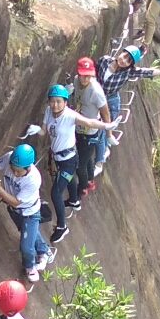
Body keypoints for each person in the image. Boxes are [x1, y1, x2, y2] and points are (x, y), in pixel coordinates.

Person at [32, 83, 105, 242]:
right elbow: (44, 131)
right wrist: (37, 130)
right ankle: (74, 200)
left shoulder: (70, 115)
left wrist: (106, 125)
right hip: (58, 157)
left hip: (69, 160)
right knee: (70, 179)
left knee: (55, 192)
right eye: (52, 101)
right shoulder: (48, 112)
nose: (55, 104)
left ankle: (61, 227)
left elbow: (90, 122)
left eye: (59, 101)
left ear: (65, 102)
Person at [0, 141, 52, 282]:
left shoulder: (34, 180)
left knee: (26, 246)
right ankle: (44, 250)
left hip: (29, 212)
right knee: (27, 233)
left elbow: (16, 201)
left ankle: (30, 267)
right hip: (14, 211)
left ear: (28, 167)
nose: (15, 173)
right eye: (13, 169)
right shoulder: (9, 157)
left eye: (19, 171)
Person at [74, 56, 111, 193]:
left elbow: (105, 113)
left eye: (88, 76)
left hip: (90, 132)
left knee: (79, 165)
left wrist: (109, 134)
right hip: (79, 126)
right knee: (86, 156)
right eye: (82, 75)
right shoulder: (76, 81)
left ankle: (82, 188)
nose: (85, 79)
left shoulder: (96, 92)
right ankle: (89, 180)